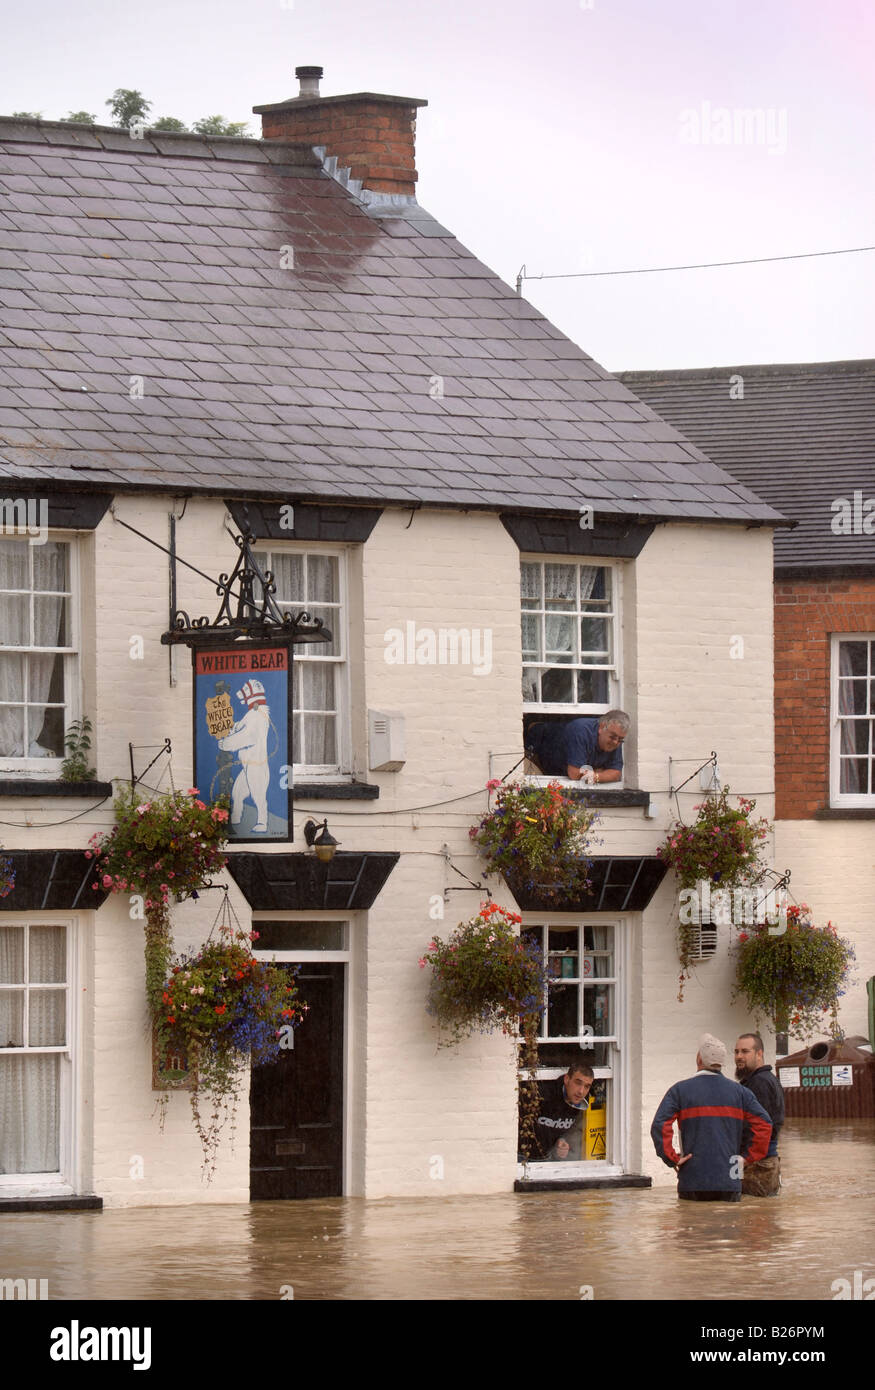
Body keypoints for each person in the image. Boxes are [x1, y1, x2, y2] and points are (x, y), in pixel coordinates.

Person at [650, 1034, 772, 1201]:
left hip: (692, 1179)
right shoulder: (741, 1093)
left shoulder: (679, 1091)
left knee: (693, 1222)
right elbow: (765, 1125)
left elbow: (659, 1125)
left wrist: (672, 1158)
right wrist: (746, 1158)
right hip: (731, 1179)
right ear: (721, 1062)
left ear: (699, 1059)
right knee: (731, 1224)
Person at [735, 1032, 785, 1196]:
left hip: (758, 1164)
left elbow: (761, 1126)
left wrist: (745, 1159)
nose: (739, 1056)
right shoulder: (762, 1079)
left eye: (745, 1051)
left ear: (759, 1054)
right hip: (761, 1162)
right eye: (736, 1052)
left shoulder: (760, 1082)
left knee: (755, 1217)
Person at [525, 710, 629, 783]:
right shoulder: (581, 731)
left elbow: (616, 773)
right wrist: (599, 772)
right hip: (535, 752)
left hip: (557, 769)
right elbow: (574, 773)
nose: (616, 742)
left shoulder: (615, 740)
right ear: (601, 727)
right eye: (613, 737)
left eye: (620, 739)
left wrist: (595, 776)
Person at [522, 1062, 594, 1160]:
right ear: (567, 1079)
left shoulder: (581, 1101)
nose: (581, 1091)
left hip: (547, 1156)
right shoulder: (544, 1094)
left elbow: (570, 1128)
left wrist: (561, 1141)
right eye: (578, 1083)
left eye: (587, 1086)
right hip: (521, 1155)